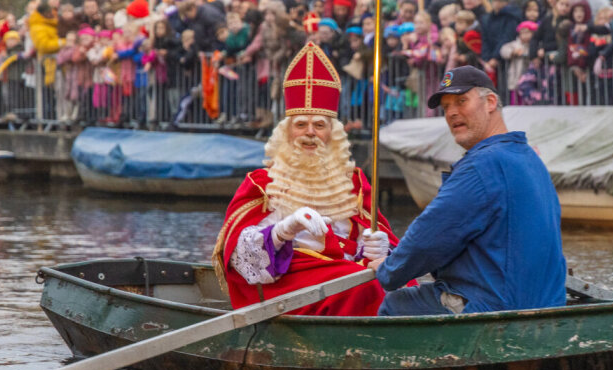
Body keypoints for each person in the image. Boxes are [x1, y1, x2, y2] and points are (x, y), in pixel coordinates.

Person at [212, 42, 399, 317]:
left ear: (332, 134)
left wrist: (378, 247)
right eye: (301, 125)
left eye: (319, 125)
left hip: (345, 272)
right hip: (290, 280)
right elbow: (238, 256)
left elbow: (374, 243)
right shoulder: (263, 183)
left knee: (405, 283)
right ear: (287, 133)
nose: (310, 133)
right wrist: (283, 230)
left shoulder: (354, 183)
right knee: (362, 288)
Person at [368, 65, 567, 316]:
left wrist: (389, 270)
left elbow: (429, 237)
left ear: (491, 102)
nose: (452, 113)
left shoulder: (481, 165)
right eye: (446, 107)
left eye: (461, 101)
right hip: (548, 308)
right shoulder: (529, 157)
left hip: (497, 311)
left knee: (396, 304)